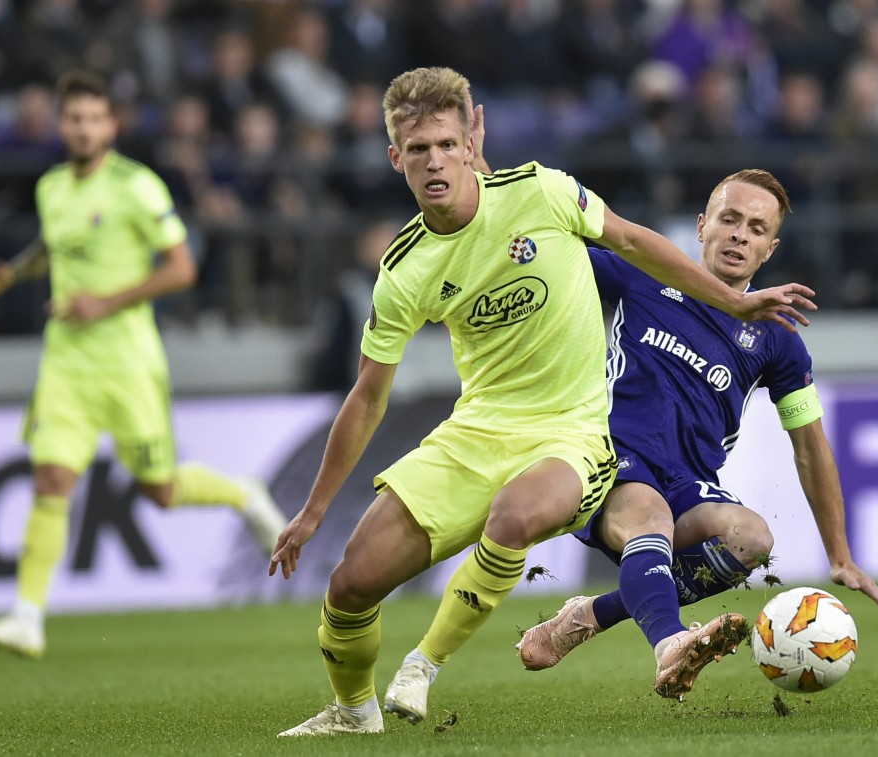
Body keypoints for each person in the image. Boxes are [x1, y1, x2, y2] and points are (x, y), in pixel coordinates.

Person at [269, 66, 816, 737]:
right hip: (476, 431)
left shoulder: (544, 192)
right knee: (351, 585)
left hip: (574, 434)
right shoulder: (405, 269)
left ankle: (425, 664)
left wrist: (733, 300)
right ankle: (355, 711)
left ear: (470, 143)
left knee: (520, 514)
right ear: (395, 158)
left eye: (447, 144)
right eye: (419, 149)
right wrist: (313, 510)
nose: (434, 161)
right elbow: (366, 396)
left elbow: (630, 239)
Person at [516, 168, 878, 694]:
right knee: (650, 519)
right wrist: (489, 192)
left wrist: (840, 557)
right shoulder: (641, 273)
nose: (740, 235)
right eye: (729, 219)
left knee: (753, 540)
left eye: (756, 228)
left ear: (770, 249)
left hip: (686, 481)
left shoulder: (777, 338)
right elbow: (544, 253)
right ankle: (670, 645)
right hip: (610, 457)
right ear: (702, 226)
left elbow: (810, 447)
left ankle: (591, 615)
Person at [0, 70, 287, 660]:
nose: (84, 129)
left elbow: (182, 267)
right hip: (65, 362)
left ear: (111, 126)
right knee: (52, 479)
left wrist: (105, 302)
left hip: (128, 363)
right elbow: (52, 249)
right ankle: (27, 616)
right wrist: (8, 275)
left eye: (95, 119)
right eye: (75, 119)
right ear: (62, 125)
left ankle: (244, 493)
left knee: (160, 489)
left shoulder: (137, 187)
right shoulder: (51, 188)